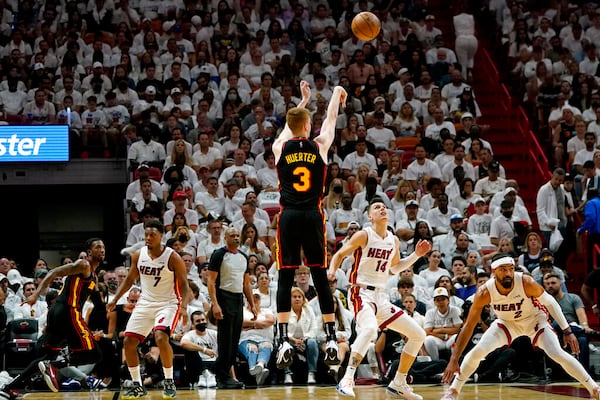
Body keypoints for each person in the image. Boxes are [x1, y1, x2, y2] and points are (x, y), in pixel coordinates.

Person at [440, 253, 600, 400]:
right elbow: (468, 325)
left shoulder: (525, 282)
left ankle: (593, 388)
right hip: (507, 323)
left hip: (535, 321)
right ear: (494, 272)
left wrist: (567, 330)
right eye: (503, 270)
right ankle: (453, 390)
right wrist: (454, 358)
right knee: (478, 351)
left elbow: (550, 302)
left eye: (511, 269)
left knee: (556, 353)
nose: (508, 273)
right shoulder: (484, 292)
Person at [273, 79, 347, 370]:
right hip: (313, 215)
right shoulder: (319, 145)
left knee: (285, 274)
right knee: (318, 274)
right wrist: (336, 93)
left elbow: (287, 130)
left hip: (289, 215)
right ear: (308, 127)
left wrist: (302, 102)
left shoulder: (280, 147)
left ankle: (281, 340)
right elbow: (330, 119)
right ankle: (331, 337)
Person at [329, 197, 432, 398]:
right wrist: (332, 270)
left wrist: (416, 256)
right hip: (360, 292)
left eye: (384, 207)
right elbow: (339, 254)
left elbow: (394, 268)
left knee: (418, 334)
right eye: (377, 207)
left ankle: (399, 382)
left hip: (381, 297)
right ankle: (347, 378)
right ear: (370, 216)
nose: (382, 209)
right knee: (368, 330)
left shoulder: (392, 240)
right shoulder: (363, 235)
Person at [0, 238, 106, 399]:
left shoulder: (93, 275)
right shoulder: (83, 264)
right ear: (89, 252)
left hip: (60, 313)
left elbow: (94, 299)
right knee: (95, 354)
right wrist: (36, 295)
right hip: (68, 311)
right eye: (98, 247)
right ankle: (55, 365)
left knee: (45, 357)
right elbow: (53, 272)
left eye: (103, 247)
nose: (102, 249)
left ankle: (8, 388)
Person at [106, 220, 190, 399]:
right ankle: (137, 385)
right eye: (146, 235)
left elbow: (184, 285)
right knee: (128, 341)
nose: (148, 238)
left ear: (161, 236)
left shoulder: (172, 257)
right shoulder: (138, 254)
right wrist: (115, 299)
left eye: (153, 235)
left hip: (168, 303)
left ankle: (168, 381)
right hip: (145, 303)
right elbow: (129, 279)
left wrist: (183, 307)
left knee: (160, 337)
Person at [206, 226, 257, 389]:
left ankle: (225, 375)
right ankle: (222, 376)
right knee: (225, 339)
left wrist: (252, 304)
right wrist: (215, 304)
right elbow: (211, 281)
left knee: (234, 339)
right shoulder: (218, 255)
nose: (236, 238)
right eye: (232, 235)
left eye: (237, 235)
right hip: (223, 296)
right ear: (225, 238)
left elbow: (246, 283)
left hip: (238, 299)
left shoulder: (243, 256)